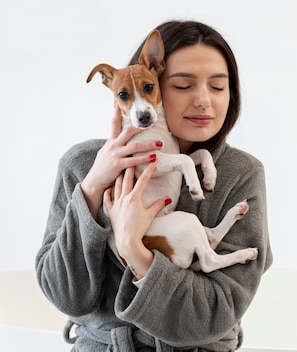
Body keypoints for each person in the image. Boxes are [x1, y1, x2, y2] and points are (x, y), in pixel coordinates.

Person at [35, 19, 273, 351]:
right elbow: (66, 297)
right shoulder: (81, 164)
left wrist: (134, 248)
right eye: (183, 85)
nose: (204, 100)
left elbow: (216, 315)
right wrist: (91, 190)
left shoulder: (240, 173)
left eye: (219, 86)